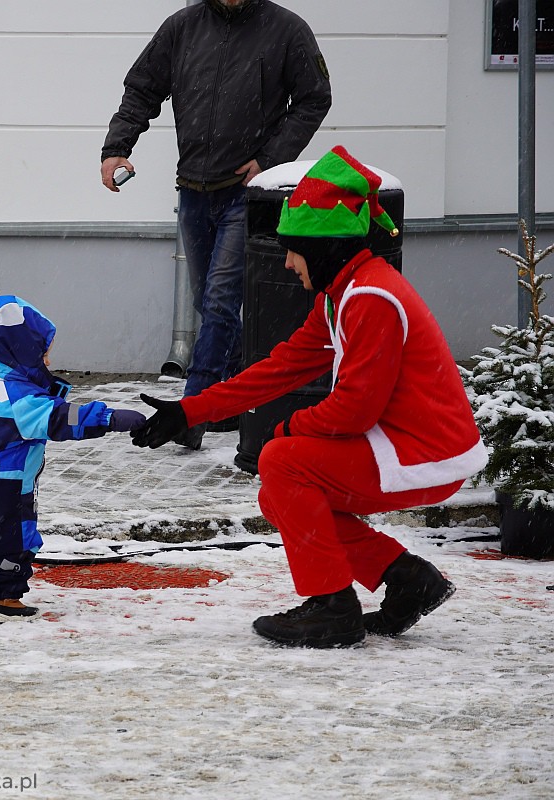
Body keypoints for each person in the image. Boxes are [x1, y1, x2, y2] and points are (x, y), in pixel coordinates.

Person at [130, 146, 488, 648]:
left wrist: (288, 431)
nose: (289, 261)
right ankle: (406, 578)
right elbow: (276, 371)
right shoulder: (342, 292)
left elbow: (355, 408)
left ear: (324, 247)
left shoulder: (372, 298)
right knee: (278, 494)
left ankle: (331, 608)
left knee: (282, 462)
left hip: (425, 453)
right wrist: (191, 411)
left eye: (294, 248)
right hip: (403, 446)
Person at [100, 0, 332, 449]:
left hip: (245, 192)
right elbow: (142, 90)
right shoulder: (182, 27)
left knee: (221, 301)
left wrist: (269, 159)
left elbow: (314, 98)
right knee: (210, 303)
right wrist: (117, 146)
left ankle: (191, 415)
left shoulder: (286, 29)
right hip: (193, 189)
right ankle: (236, 394)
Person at [0, 296, 147, 622]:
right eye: (43, 353)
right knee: (16, 541)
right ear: (20, 351)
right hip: (7, 486)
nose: (48, 362)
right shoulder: (20, 398)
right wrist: (110, 419)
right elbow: (60, 418)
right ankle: (4, 596)